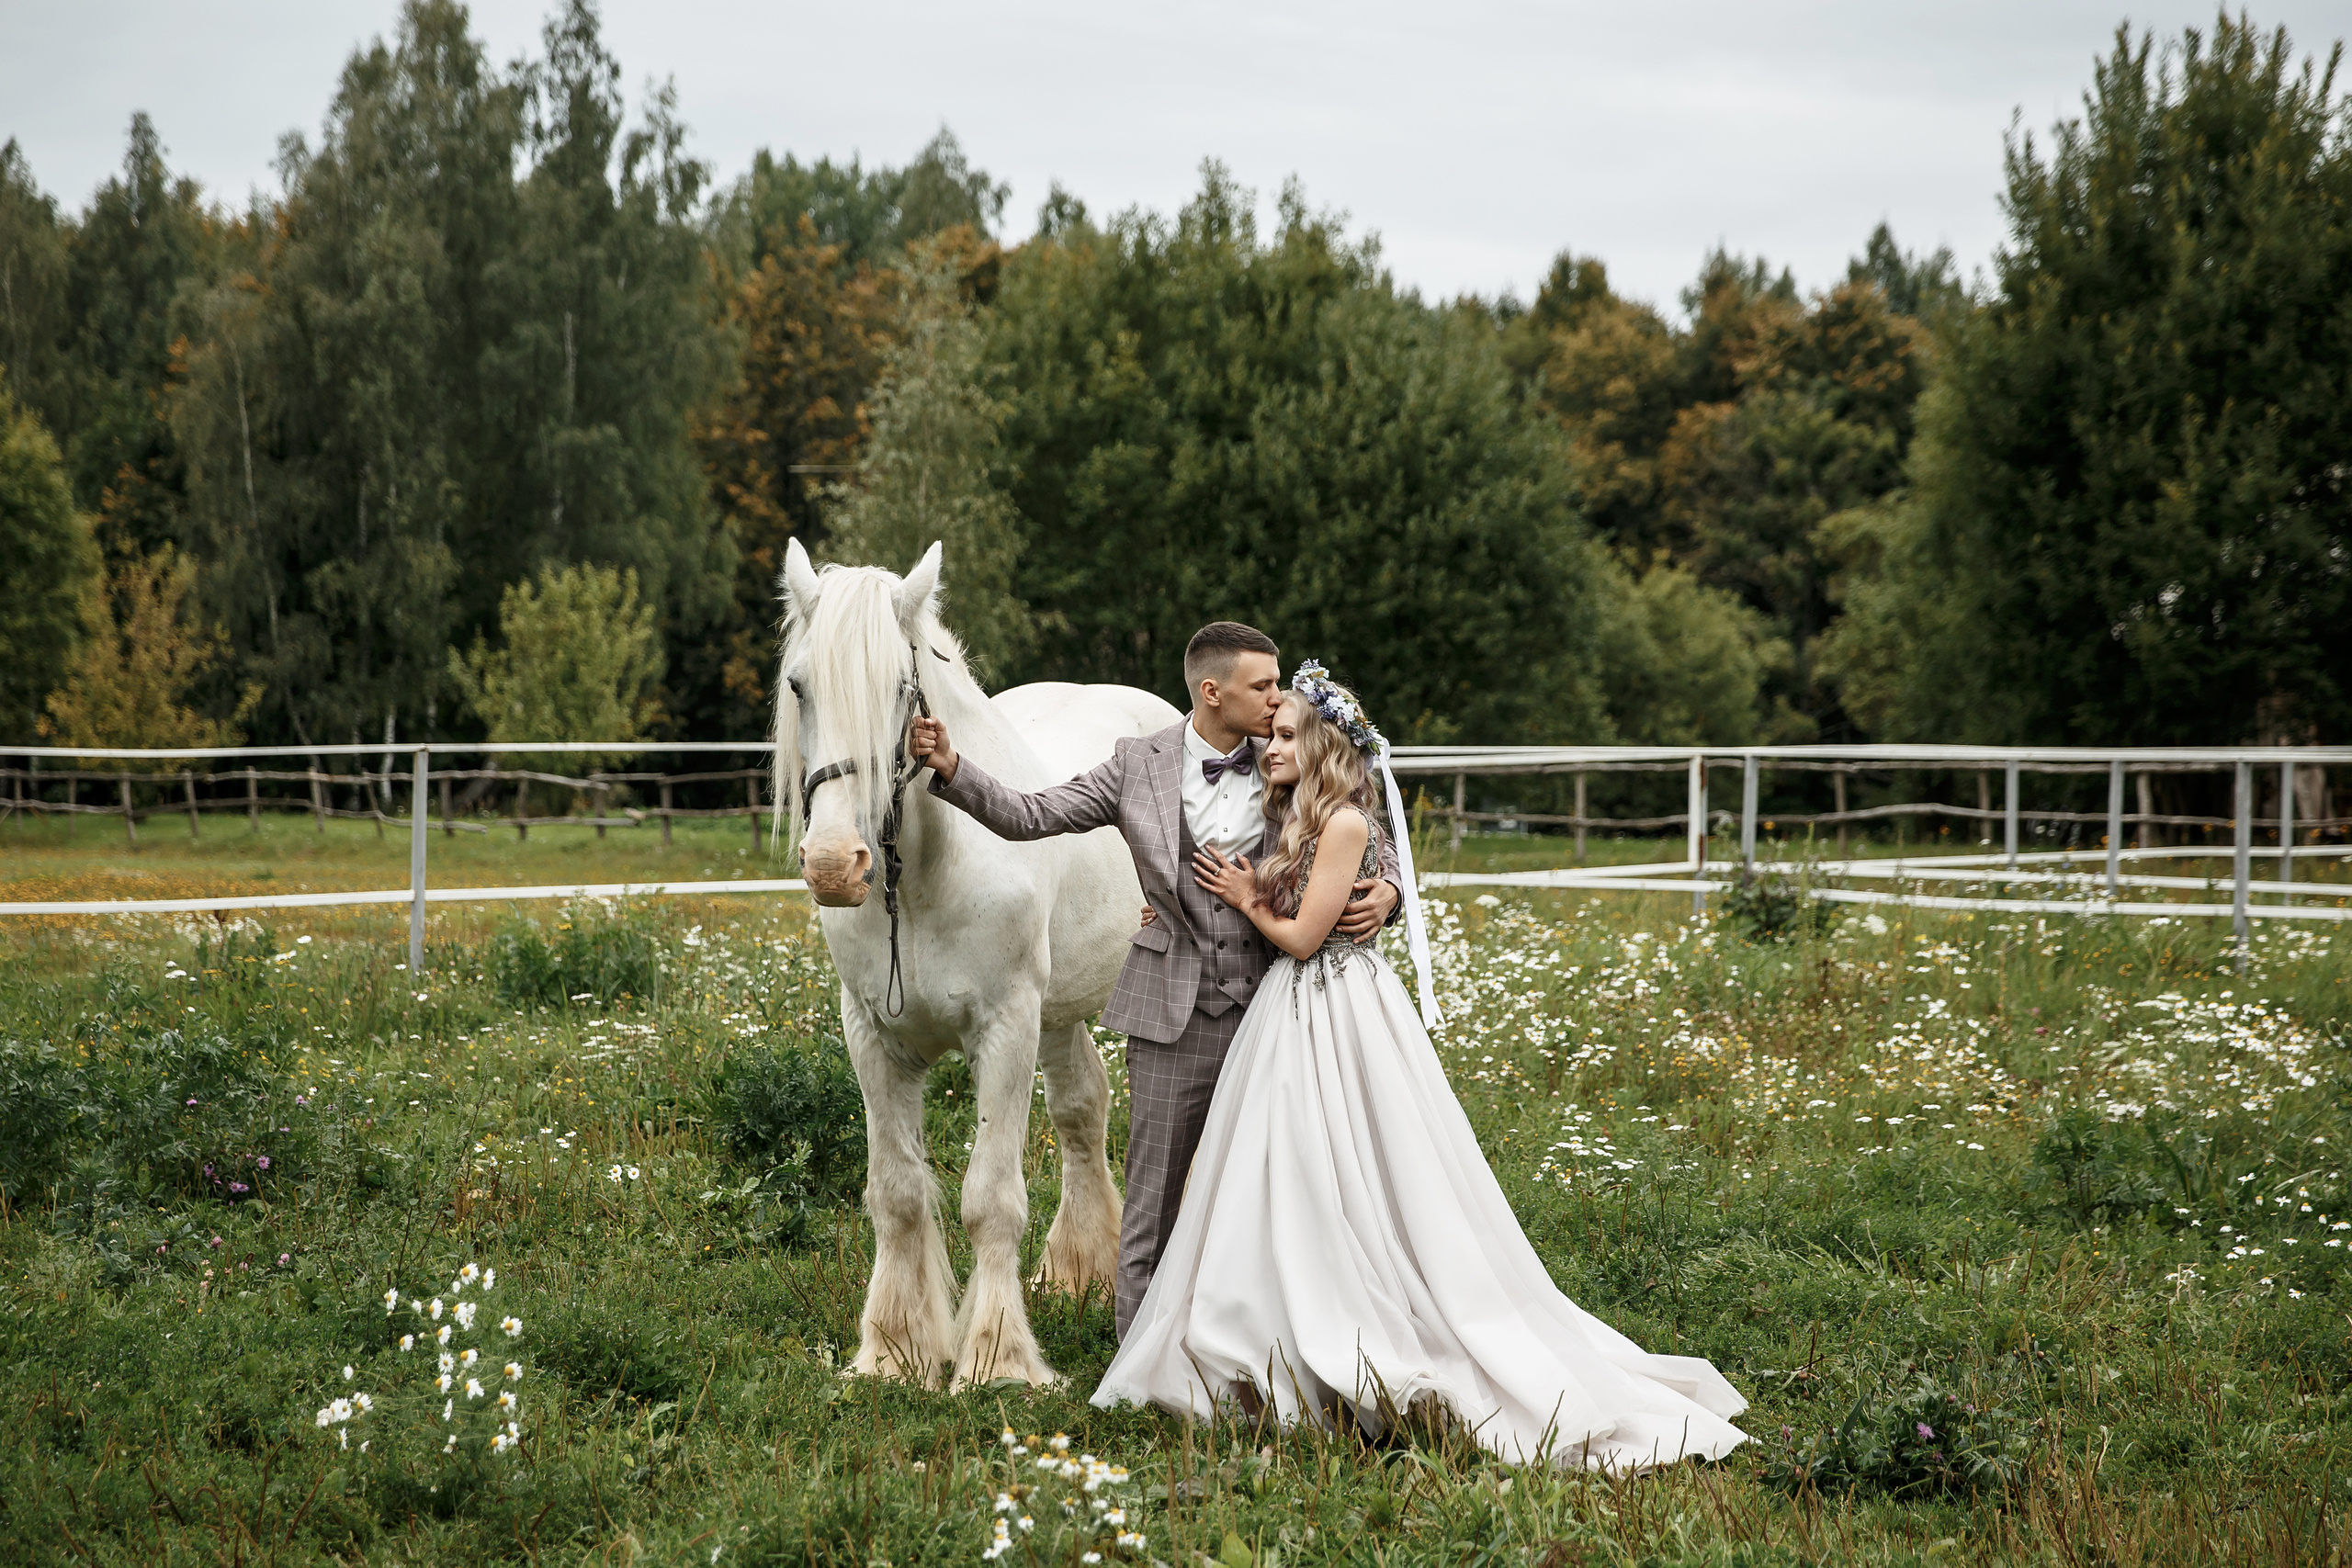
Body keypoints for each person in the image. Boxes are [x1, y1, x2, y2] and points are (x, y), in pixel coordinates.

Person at [1090, 662, 1750, 1471]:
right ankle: (1266, 1318)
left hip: (1335, 1004)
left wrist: (1278, 897)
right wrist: (1182, 898)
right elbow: (1208, 846)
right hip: (1283, 1014)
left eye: (1288, 734)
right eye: (1272, 731)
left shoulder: (1341, 821)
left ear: (1325, 742)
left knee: (1366, 1166)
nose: (1269, 745)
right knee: (1279, 1173)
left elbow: (1307, 923)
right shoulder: (1283, 809)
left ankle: (1363, 1318)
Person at [909, 622, 1401, 1338]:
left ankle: (1271, 1343)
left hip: (1277, 1004)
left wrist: (1387, 888)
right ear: (1213, 691)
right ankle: (1140, 1360)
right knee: (1152, 1200)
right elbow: (1034, 813)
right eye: (1261, 685)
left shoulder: (1290, 753)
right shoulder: (1135, 764)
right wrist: (954, 767)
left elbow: (1361, 819)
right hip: (1173, 1011)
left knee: (1277, 1190)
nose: (1276, 697)